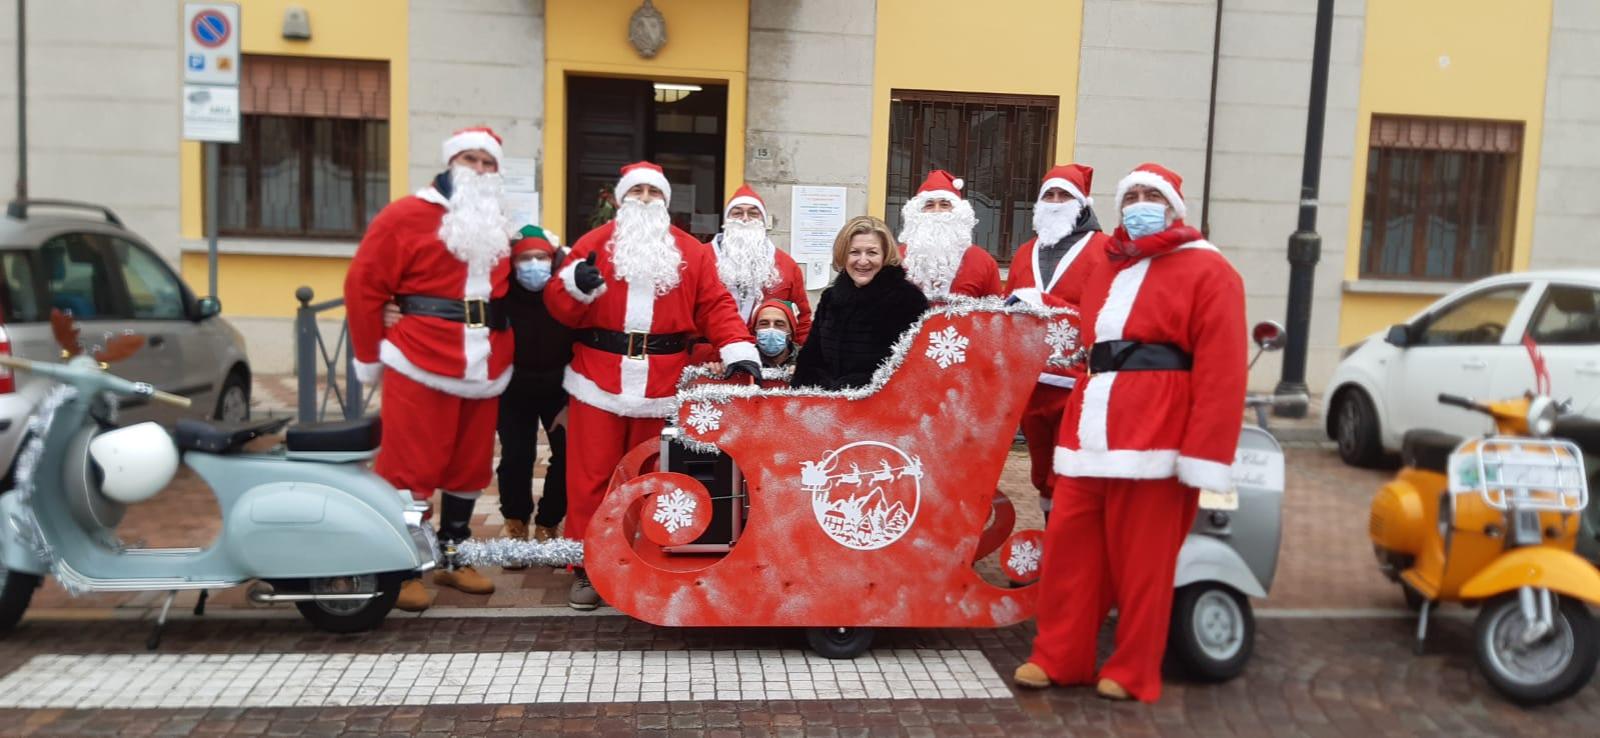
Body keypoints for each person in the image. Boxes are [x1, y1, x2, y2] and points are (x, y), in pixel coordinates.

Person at [1014, 163, 1247, 703]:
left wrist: (1202, 454)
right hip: (1090, 429)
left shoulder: (1210, 270)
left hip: (1157, 437)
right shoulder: (1108, 265)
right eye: (1132, 196)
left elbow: (1223, 371)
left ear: (1175, 208)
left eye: (1151, 196)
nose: (1140, 204)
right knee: (1070, 552)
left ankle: (1133, 668)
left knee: (1144, 564)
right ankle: (1058, 656)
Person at [546, 161, 761, 610]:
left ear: (665, 201)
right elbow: (560, 309)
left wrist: (738, 348)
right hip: (597, 379)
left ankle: (641, 558)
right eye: (636, 191)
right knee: (590, 479)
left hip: (662, 384)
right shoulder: (592, 244)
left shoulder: (691, 251)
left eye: (653, 192)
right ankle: (586, 566)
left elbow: (715, 306)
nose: (645, 199)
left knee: (652, 477)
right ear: (621, 199)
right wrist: (574, 287)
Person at [345, 126, 514, 612]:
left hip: (484, 363)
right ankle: (400, 567)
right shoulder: (405, 215)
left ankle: (453, 557)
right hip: (420, 358)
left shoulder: (499, 221)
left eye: (487, 162)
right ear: (450, 163)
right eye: (470, 159)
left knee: (469, 467)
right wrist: (369, 353)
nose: (479, 169)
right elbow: (364, 285)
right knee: (409, 467)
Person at [1005, 164, 1111, 518]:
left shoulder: (1104, 250)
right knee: (1041, 470)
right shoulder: (1025, 252)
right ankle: (1050, 532)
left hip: (1080, 380)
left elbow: (1108, 312)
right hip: (1031, 382)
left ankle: (1068, 537)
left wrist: (1045, 302)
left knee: (1069, 468)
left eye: (1063, 195)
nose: (1054, 201)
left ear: (1081, 203)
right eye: (1048, 195)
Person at [495, 226, 574, 549]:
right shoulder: (500, 295)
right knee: (516, 457)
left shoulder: (566, 293)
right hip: (513, 388)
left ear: (552, 259)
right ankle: (515, 524)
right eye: (525, 258)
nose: (533, 264)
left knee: (568, 455)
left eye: (541, 257)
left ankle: (548, 522)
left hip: (560, 388)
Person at [792, 216, 929, 391]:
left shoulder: (908, 300)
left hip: (881, 403)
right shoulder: (830, 298)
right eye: (854, 252)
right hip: (827, 402)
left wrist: (854, 388)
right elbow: (811, 356)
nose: (863, 261)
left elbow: (912, 367)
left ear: (885, 255)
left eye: (872, 253)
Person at [711, 184, 813, 342]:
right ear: (726, 220)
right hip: (712, 352)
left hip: (767, 353)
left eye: (753, 213)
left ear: (763, 221)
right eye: (737, 213)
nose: (745, 219)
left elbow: (802, 320)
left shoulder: (787, 265)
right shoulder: (702, 257)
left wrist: (802, 354)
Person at [898, 170, 1002, 300]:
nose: (937, 211)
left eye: (944, 205)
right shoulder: (896, 258)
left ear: (959, 213)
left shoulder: (983, 261)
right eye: (929, 205)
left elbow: (995, 309)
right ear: (917, 213)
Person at [750, 298, 801, 371]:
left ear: (790, 332)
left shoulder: (808, 359)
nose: (771, 329)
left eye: (779, 324)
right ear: (755, 331)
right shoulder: (744, 359)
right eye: (764, 324)